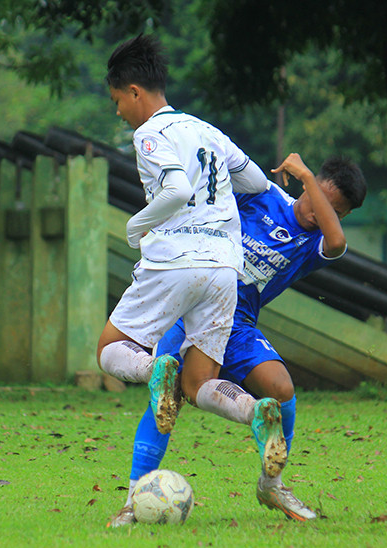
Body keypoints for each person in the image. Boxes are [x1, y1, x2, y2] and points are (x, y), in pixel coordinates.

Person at [108, 153, 367, 526]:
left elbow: (338, 242)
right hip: (192, 305)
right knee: (167, 396)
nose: (321, 214)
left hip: (237, 322)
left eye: (335, 211)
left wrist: (309, 179)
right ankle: (134, 501)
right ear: (306, 189)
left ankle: (271, 485)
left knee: (281, 389)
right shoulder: (261, 195)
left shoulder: (315, 242)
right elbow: (202, 203)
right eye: (321, 202)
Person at [96, 35, 288, 480]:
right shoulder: (206, 131)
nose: (118, 111)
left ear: (134, 92)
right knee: (198, 382)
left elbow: (177, 188)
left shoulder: (148, 136)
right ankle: (256, 412)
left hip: (174, 262)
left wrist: (137, 224)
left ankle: (154, 367)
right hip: (224, 267)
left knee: (110, 349)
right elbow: (257, 182)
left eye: (116, 101)